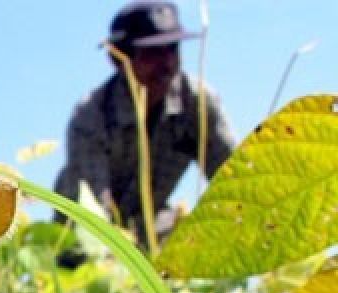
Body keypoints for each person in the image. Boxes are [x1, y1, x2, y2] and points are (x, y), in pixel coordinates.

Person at [53, 1, 236, 250]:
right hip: (84, 239)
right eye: (152, 53)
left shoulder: (197, 104)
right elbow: (95, 212)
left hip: (150, 229)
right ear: (117, 59)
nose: (167, 63)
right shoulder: (90, 117)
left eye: (172, 49)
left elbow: (235, 181)